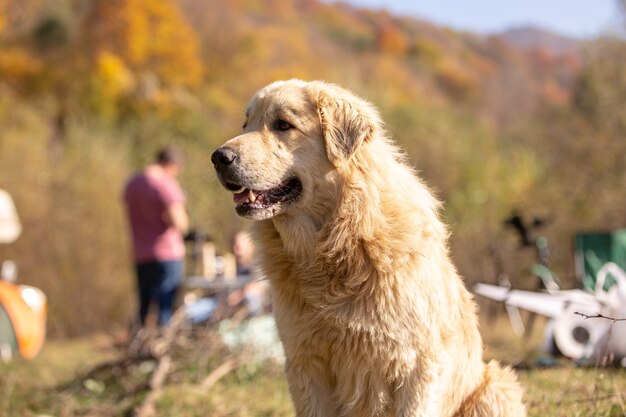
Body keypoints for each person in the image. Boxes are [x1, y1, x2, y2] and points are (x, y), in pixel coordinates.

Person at [123, 145, 188, 327]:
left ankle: (138, 345)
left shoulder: (132, 184)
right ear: (171, 165)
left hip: (141, 253)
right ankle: (161, 349)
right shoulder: (165, 184)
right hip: (167, 254)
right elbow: (180, 223)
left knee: (144, 306)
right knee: (165, 308)